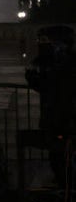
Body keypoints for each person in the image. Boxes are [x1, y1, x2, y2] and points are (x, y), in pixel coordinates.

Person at [25, 25, 76, 192]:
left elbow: (58, 87)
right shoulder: (50, 63)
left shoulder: (67, 64)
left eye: (45, 40)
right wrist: (33, 77)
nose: (40, 44)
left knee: (65, 161)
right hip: (53, 121)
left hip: (67, 121)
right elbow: (46, 87)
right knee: (57, 160)